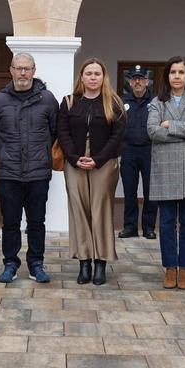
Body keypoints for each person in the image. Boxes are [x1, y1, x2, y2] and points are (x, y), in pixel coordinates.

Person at [0, 53, 58, 284]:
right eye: (19, 68)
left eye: (27, 68)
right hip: (9, 172)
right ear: (11, 70)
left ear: (34, 71)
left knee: (36, 222)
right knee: (10, 222)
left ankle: (36, 264)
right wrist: (5, 153)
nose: (23, 73)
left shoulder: (47, 99)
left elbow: (55, 131)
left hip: (38, 172)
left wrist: (41, 153)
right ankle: (10, 263)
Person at [58, 57, 125, 286]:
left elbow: (117, 136)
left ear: (104, 77)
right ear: (82, 77)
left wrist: (97, 160)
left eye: (97, 73)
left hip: (104, 164)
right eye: (89, 73)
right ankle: (84, 262)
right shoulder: (69, 102)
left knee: (100, 211)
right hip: (74, 163)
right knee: (79, 211)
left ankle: (101, 263)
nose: (93, 77)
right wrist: (74, 158)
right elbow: (62, 132)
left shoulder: (114, 103)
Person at [148, 56, 185, 290]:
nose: (177, 76)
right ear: (167, 76)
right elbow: (153, 131)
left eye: (181, 72)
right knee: (166, 224)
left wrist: (169, 125)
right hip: (165, 169)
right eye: (173, 72)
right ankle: (170, 268)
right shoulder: (157, 102)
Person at [118, 65, 156, 240]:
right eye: (135, 79)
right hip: (129, 151)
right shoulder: (122, 101)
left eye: (141, 79)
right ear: (131, 82)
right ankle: (130, 227)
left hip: (150, 151)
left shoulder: (155, 102)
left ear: (147, 82)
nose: (138, 82)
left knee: (150, 192)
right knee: (129, 191)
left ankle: (148, 228)